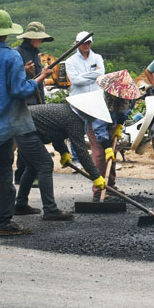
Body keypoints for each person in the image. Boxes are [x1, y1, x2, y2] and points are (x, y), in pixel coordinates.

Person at [0, 10, 62, 235]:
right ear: (7, 33)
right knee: (3, 173)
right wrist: (37, 79)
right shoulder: (11, 56)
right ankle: (2, 223)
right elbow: (19, 90)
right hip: (3, 125)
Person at [21, 101, 107, 208]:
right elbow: (81, 152)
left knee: (32, 167)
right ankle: (50, 210)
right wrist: (96, 176)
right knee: (45, 165)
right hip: (25, 128)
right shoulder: (75, 120)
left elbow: (55, 133)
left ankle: (21, 204)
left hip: (24, 125)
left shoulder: (71, 112)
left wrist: (64, 152)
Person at [84, 70, 140, 200]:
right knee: (100, 155)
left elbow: (126, 111)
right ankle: (99, 191)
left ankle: (110, 186)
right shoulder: (100, 102)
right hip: (95, 127)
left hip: (112, 123)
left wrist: (120, 125)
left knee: (112, 155)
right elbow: (99, 128)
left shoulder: (129, 96)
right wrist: (106, 145)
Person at [65, 31, 107, 189]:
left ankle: (93, 162)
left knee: (95, 132)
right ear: (77, 43)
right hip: (78, 100)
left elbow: (101, 74)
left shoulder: (97, 58)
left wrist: (85, 75)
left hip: (95, 100)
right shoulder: (70, 61)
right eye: (83, 43)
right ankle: (77, 160)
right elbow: (75, 81)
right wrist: (92, 75)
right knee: (77, 131)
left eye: (88, 43)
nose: (86, 45)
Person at [13, 21, 53, 185]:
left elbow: (39, 81)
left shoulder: (36, 54)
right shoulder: (17, 53)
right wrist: (25, 72)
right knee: (26, 140)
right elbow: (15, 81)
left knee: (32, 139)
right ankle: (21, 174)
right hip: (24, 103)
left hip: (36, 101)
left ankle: (27, 175)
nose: (39, 41)